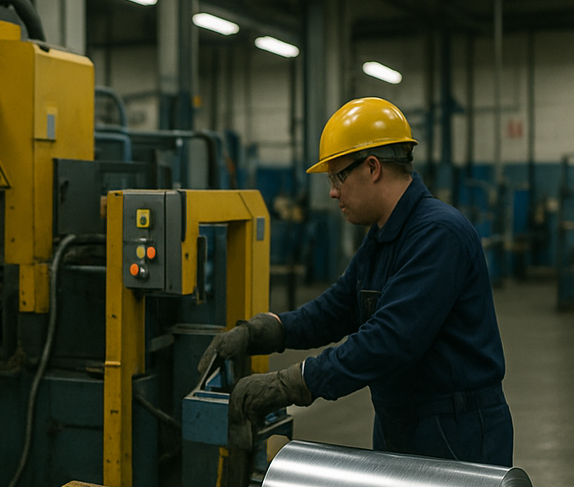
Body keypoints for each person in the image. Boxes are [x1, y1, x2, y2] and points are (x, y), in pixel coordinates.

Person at [201, 96, 513, 466]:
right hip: (403, 421)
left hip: (456, 430)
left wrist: (294, 382)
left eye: (338, 176)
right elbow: (337, 308)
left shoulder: (438, 234)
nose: (332, 191)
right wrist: (266, 331)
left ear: (372, 167)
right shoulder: (384, 235)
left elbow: (389, 341)